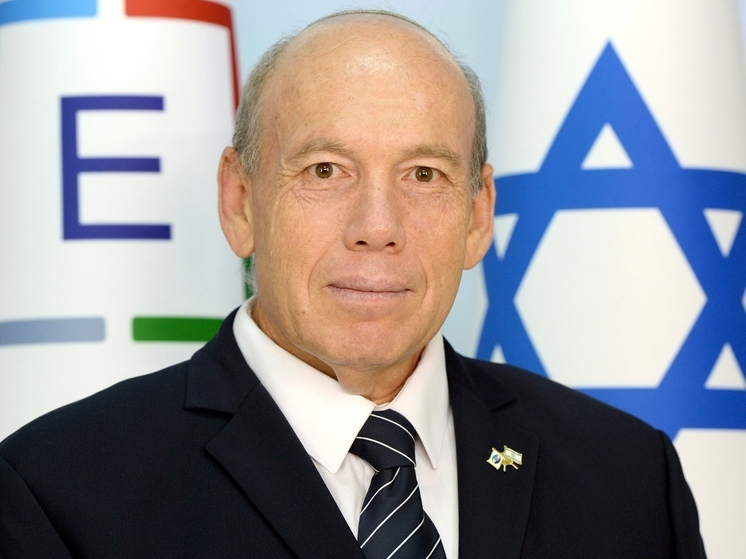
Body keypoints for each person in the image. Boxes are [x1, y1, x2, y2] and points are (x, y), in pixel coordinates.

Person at [0, 9, 705, 559]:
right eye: (325, 170)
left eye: (424, 174)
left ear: (477, 215)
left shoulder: (629, 479)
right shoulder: (58, 492)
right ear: (240, 203)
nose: (377, 226)